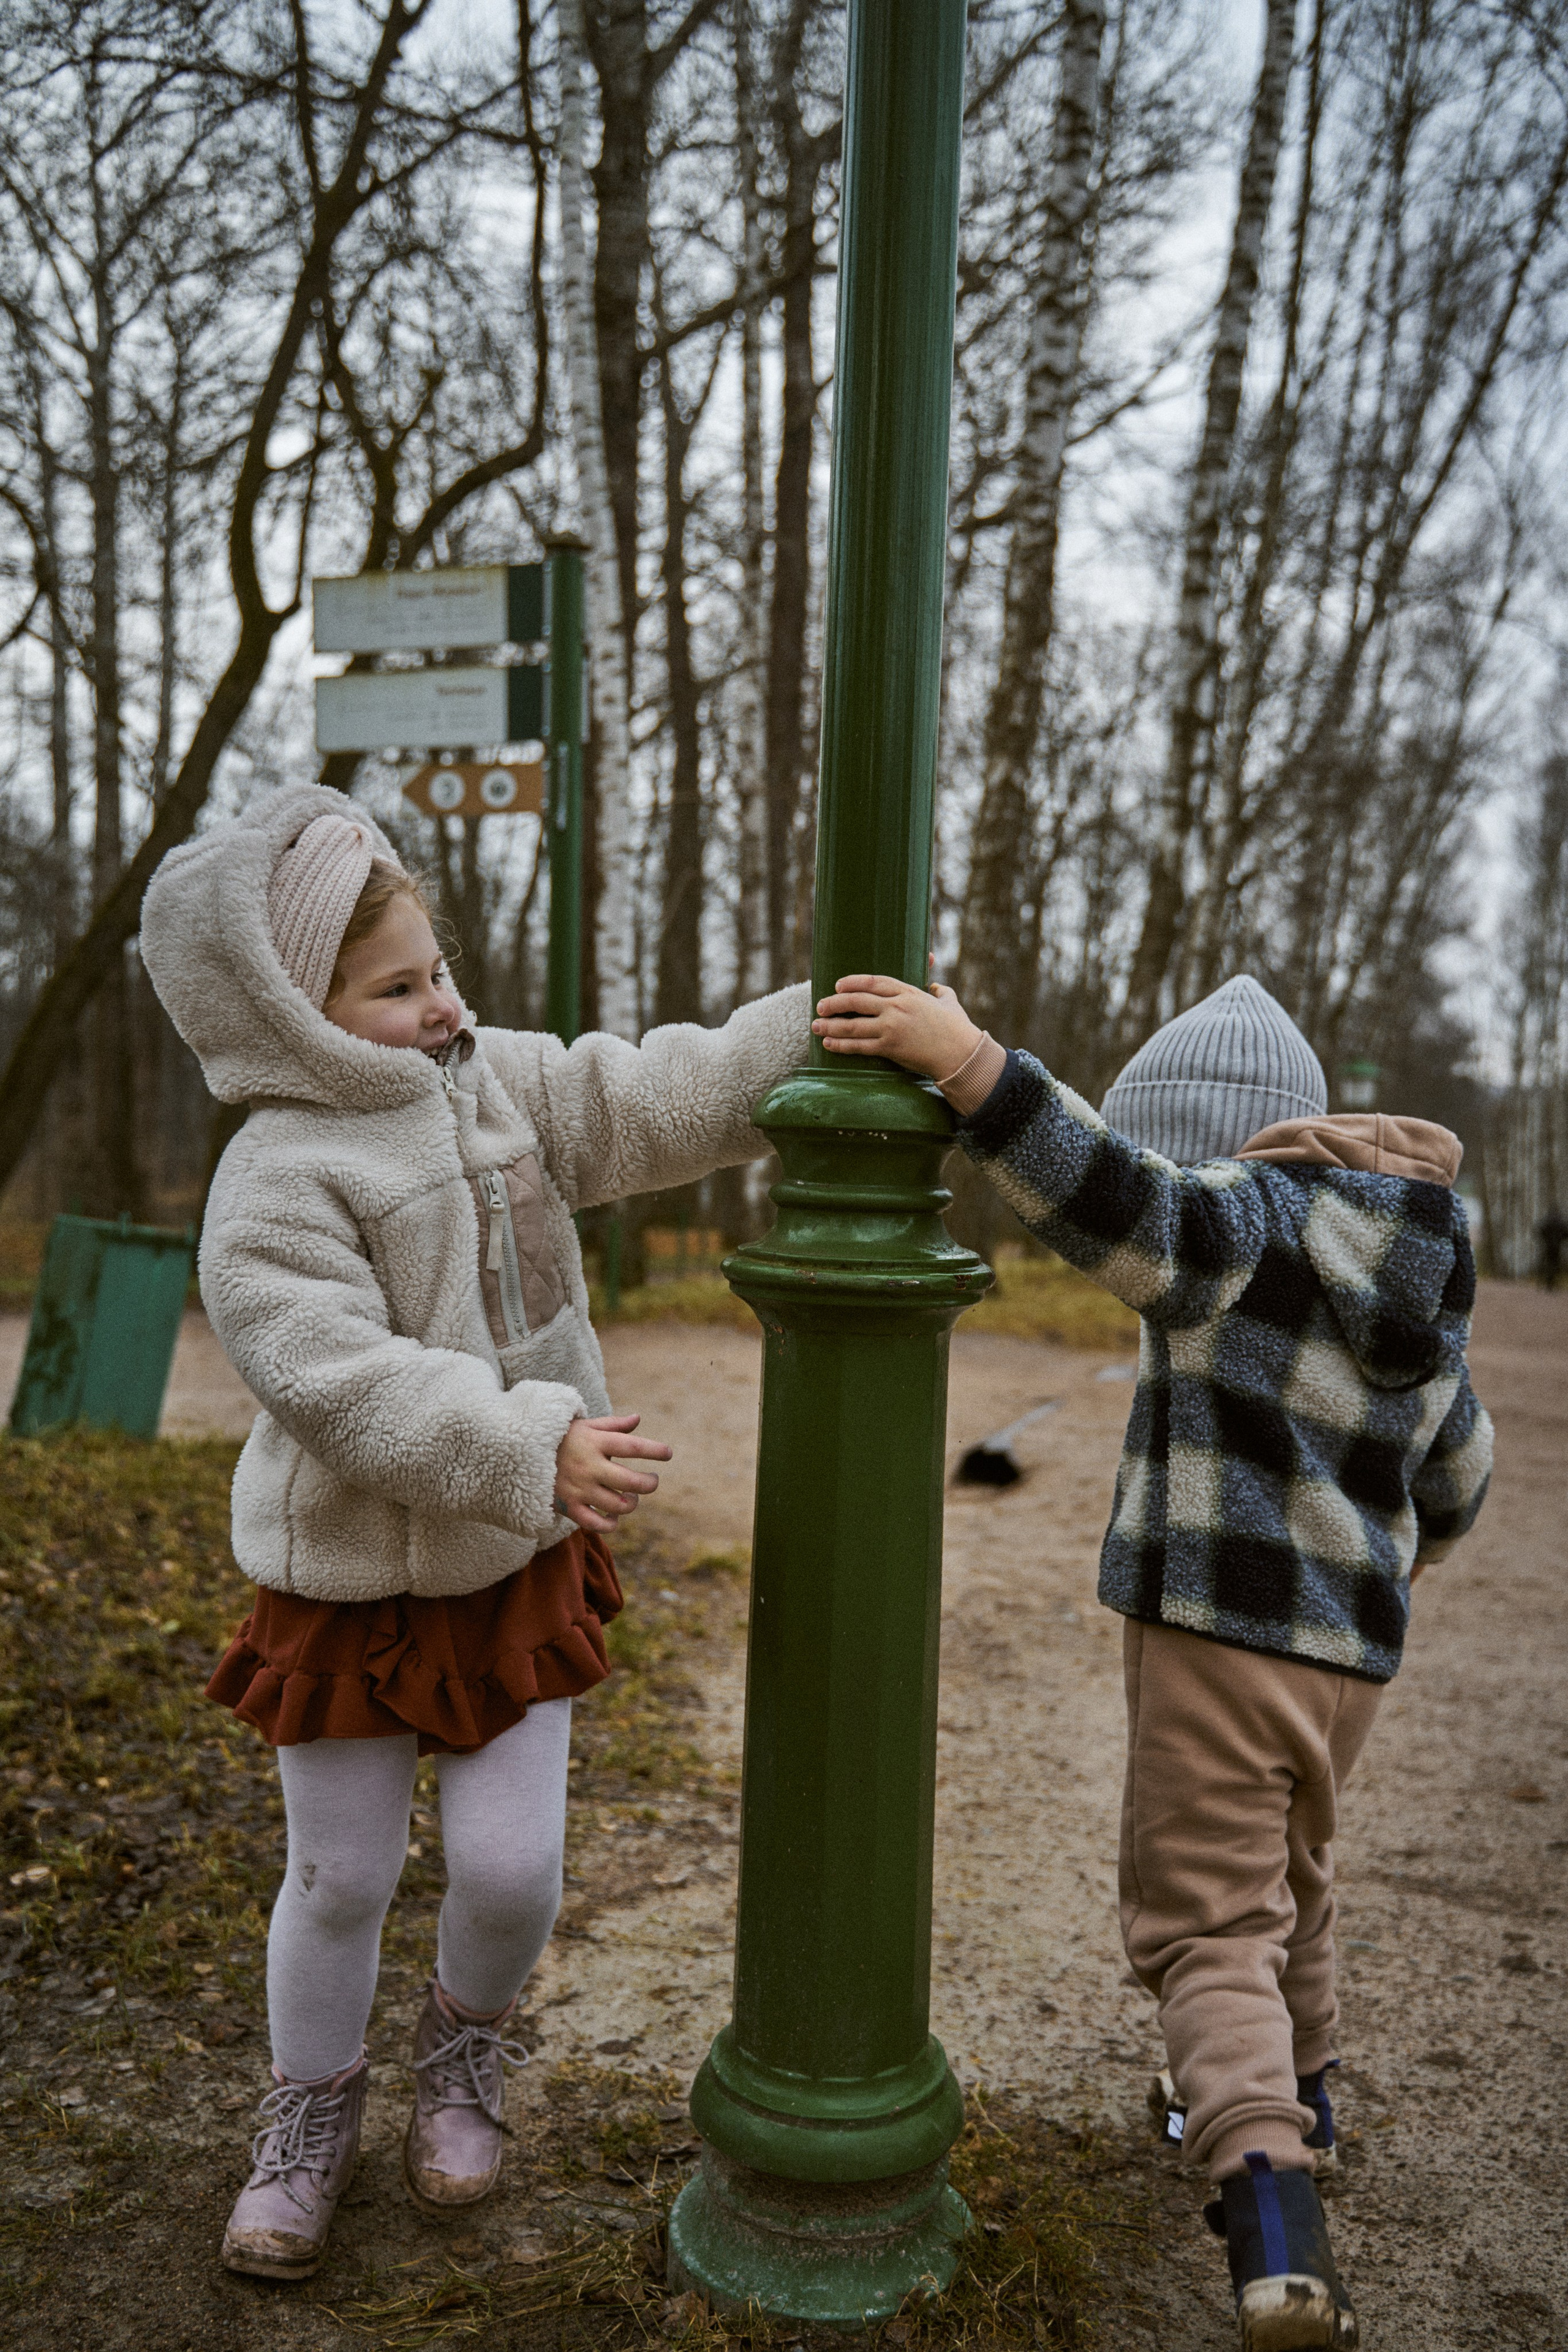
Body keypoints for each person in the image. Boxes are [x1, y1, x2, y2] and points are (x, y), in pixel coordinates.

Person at [141, 786, 809, 2280]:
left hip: (506, 1566)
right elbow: (326, 1369)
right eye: (396, 988)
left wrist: (812, 1022)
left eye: (439, 970)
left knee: (512, 1876)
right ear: (292, 1017)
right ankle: (308, 2115)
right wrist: (530, 1439)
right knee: (340, 1878)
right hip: (352, 1582)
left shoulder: (493, 1082)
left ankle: (462, 2052)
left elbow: (647, 1094)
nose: (441, 1005)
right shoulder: (273, 1179)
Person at [812, 969, 1493, 2352]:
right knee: (1291, 1872)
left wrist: (970, 1067)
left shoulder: (1232, 1226)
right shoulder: (1412, 1262)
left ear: (1214, 1143)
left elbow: (1103, 1194)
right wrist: (1398, 1556)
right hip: (1346, 1661)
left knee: (1199, 1922)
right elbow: (1461, 1468)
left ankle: (1267, 2206)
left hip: (1217, 1640)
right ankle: (1308, 2093)